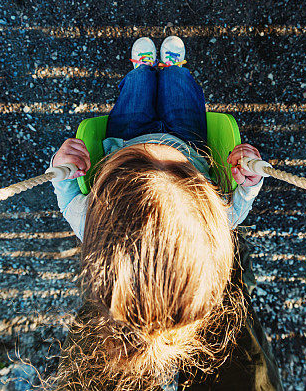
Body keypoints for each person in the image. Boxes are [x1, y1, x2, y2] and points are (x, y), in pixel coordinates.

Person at [48, 36, 282, 390]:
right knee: (178, 84)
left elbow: (67, 200)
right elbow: (234, 212)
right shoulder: (211, 227)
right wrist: (248, 182)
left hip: (123, 136)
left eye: (139, 162)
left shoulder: (95, 222)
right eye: (181, 171)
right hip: (189, 137)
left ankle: (144, 68)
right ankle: (171, 68)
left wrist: (61, 169)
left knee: (138, 85)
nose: (156, 148)